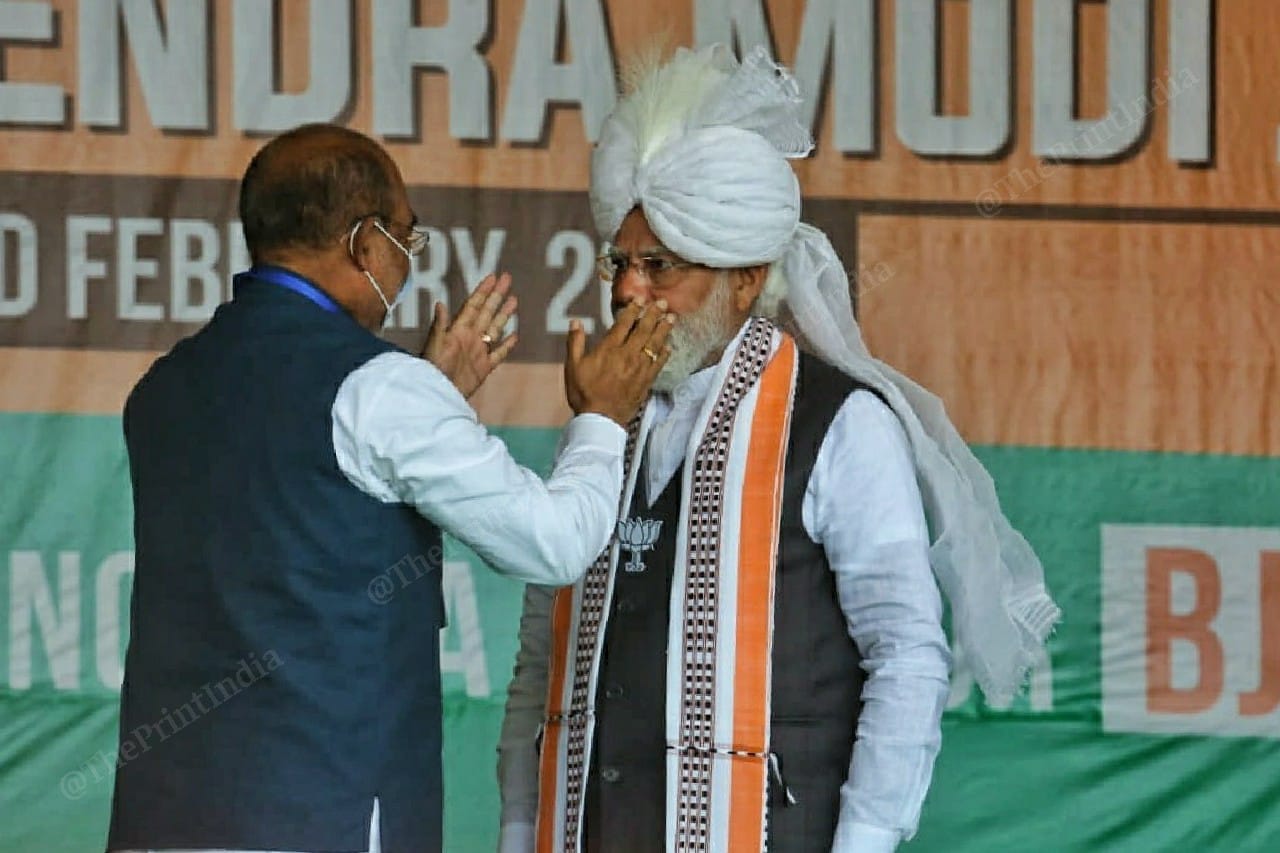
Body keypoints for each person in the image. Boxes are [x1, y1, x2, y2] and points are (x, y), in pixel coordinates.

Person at [497, 46, 1060, 852]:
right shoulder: (600, 421)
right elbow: (538, 663)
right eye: (620, 262)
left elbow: (906, 654)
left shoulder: (842, 425)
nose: (627, 289)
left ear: (745, 276)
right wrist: (522, 829)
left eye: (660, 265)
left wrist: (863, 841)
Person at [106, 123, 674, 853]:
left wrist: (429, 398)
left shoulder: (163, 386)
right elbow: (556, 543)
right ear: (363, 242)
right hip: (318, 814)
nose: (407, 261)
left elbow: (290, 502)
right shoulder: (379, 388)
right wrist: (601, 418)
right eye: (408, 237)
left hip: (163, 817)